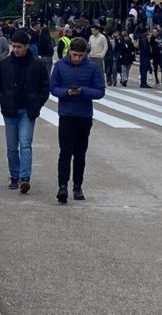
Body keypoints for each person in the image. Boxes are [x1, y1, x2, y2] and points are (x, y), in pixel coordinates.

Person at [0, 31, 50, 193]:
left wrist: (38, 103)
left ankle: (24, 178)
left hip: (28, 110)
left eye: (19, 47)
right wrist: (2, 99)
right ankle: (14, 175)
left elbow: (45, 87)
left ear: (26, 47)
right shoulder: (5, 64)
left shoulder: (37, 65)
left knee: (25, 144)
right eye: (14, 46)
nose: (15, 50)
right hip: (10, 110)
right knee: (11, 146)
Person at [51, 38, 106, 204]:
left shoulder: (92, 68)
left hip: (84, 115)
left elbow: (100, 91)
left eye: (80, 55)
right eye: (74, 55)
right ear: (70, 52)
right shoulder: (60, 65)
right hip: (66, 114)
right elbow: (53, 88)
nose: (77, 58)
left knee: (80, 153)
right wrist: (66, 92)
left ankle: (77, 185)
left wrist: (83, 91)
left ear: (85, 54)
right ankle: (62, 186)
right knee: (65, 152)